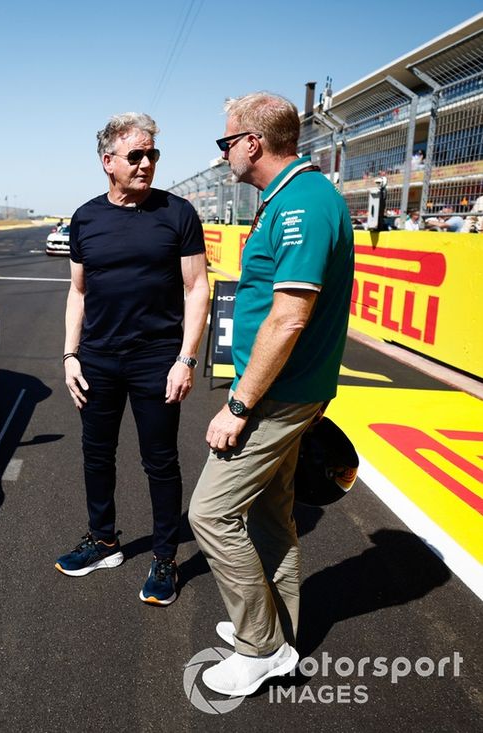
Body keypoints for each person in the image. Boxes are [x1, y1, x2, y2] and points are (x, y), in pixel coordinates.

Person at [189, 92, 354, 697]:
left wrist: (238, 406)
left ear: (252, 144)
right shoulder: (289, 199)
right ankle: (276, 632)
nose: (224, 152)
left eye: (225, 141)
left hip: (277, 395)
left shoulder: (303, 206)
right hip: (284, 390)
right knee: (271, 512)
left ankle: (259, 647)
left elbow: (288, 318)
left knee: (210, 513)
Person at [56, 112, 210, 607]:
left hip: (155, 361)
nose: (146, 163)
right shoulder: (85, 217)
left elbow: (196, 288)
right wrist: (70, 355)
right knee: (96, 455)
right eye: (136, 155)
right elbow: (77, 292)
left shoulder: (178, 213)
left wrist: (185, 359)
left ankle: (165, 557)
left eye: (152, 155)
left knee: (160, 462)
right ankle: (103, 542)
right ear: (108, 162)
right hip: (97, 360)